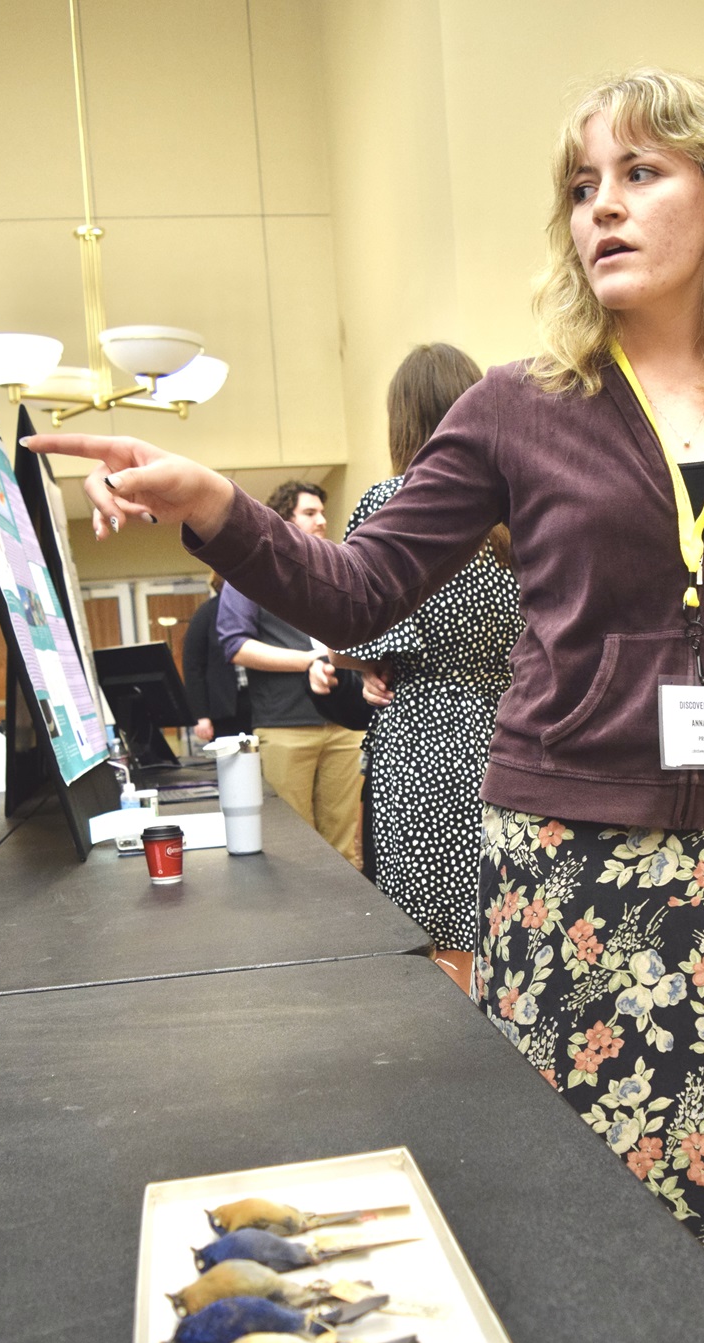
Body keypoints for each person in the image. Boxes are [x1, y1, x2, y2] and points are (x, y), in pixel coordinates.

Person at [28, 68, 704, 1343]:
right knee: (576, 1206)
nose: (601, 210)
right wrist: (219, 508)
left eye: (640, 176)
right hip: (572, 867)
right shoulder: (519, 405)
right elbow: (357, 588)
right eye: (581, 187)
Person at [312, 344, 522, 991]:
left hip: (425, 741)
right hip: (512, 733)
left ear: (402, 422)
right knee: (503, 914)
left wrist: (352, 661)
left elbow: (357, 632)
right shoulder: (515, 508)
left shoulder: (393, 502)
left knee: (434, 930)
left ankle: (463, 1070)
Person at [214, 481, 363, 863]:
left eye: (322, 513)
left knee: (346, 845)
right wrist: (309, 661)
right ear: (285, 520)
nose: (322, 521)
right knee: (295, 848)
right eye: (310, 513)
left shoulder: (335, 567)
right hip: (285, 726)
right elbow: (236, 645)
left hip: (344, 725)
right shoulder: (251, 571)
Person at [181, 571, 252, 743]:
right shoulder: (205, 614)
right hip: (223, 708)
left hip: (259, 704)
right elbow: (193, 667)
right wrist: (201, 716)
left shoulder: (255, 610)